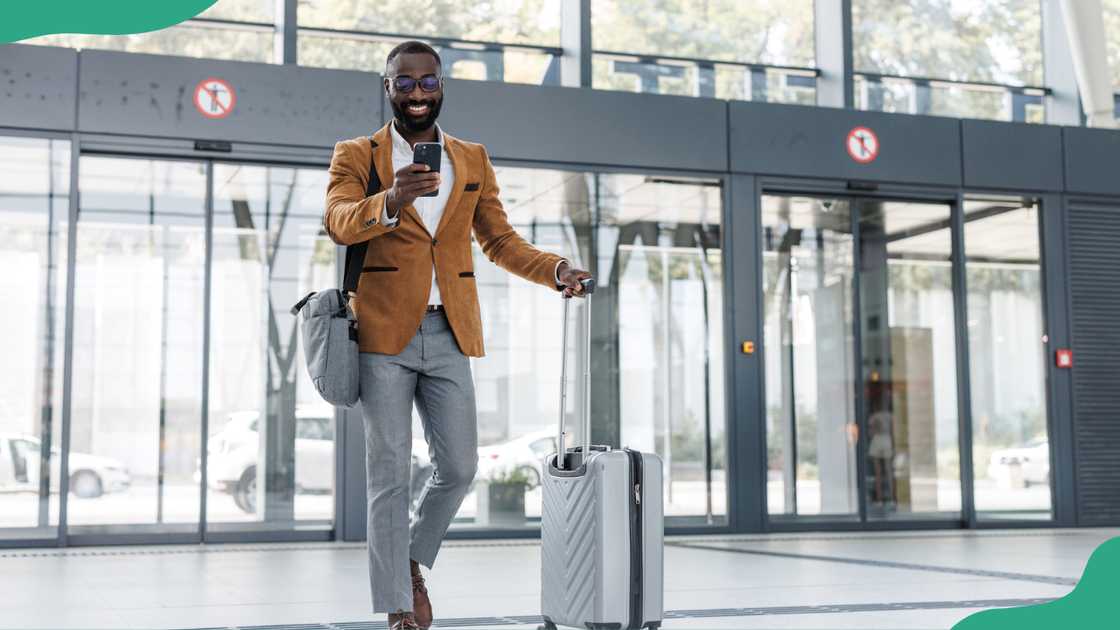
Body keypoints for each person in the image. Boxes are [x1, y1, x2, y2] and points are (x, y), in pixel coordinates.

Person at [322, 40, 593, 630]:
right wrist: (390, 199)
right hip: (381, 333)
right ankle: (399, 603)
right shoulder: (356, 154)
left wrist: (554, 270)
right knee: (388, 473)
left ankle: (409, 560)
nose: (417, 93)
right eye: (405, 82)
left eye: (428, 81)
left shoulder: (470, 158)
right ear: (387, 86)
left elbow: (498, 239)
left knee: (461, 466)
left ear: (442, 85)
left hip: (449, 331)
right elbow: (339, 223)